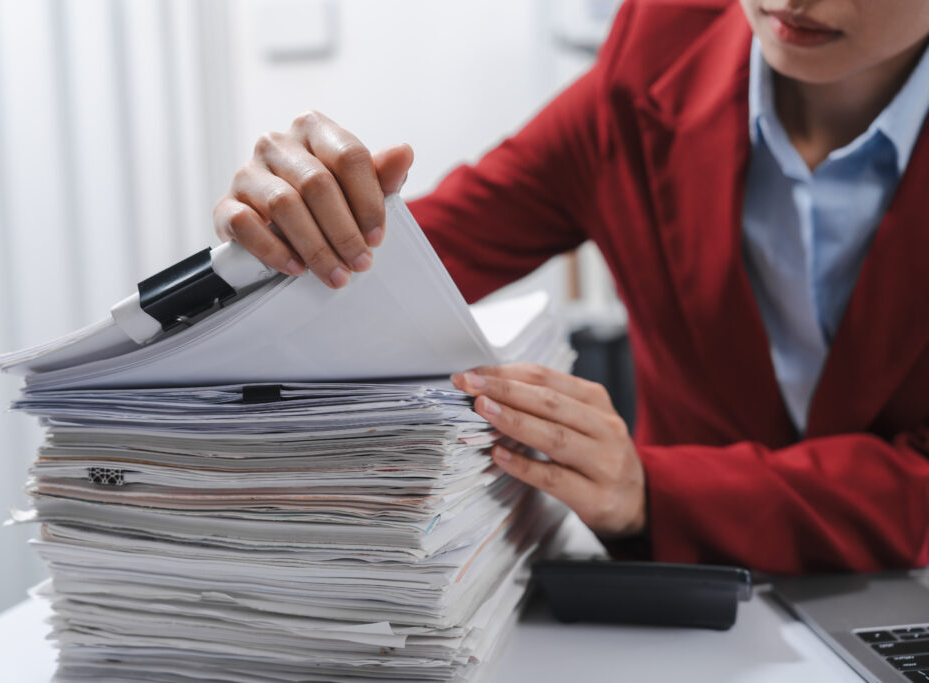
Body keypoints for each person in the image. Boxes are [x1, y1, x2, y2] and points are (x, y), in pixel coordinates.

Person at [212, 0, 929, 574]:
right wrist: (277, 238)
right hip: (692, 602)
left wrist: (656, 490)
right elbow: (390, 266)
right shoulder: (652, 66)